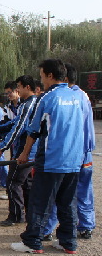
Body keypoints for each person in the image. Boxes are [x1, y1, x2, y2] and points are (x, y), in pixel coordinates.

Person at [11, 59, 84, 254]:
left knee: (40, 202)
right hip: (73, 160)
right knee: (68, 203)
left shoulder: (47, 98)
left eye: (42, 76)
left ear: (50, 76)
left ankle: (32, 242)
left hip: (52, 160)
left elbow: (33, 131)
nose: (41, 80)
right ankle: (68, 242)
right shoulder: (78, 96)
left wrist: (24, 154)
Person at [43, 63, 96, 241]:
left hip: (69, 152)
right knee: (83, 191)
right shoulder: (83, 96)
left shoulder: (63, 97)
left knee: (60, 192)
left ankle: (48, 228)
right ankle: (86, 226)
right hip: (85, 151)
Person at [0, 75, 38, 227]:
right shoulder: (31, 103)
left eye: (19, 86)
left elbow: (19, 128)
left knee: (12, 183)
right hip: (29, 151)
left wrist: (3, 146)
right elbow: (15, 122)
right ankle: (30, 214)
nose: (17, 89)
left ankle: (17, 216)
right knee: (26, 184)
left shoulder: (28, 105)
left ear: (27, 87)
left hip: (25, 151)